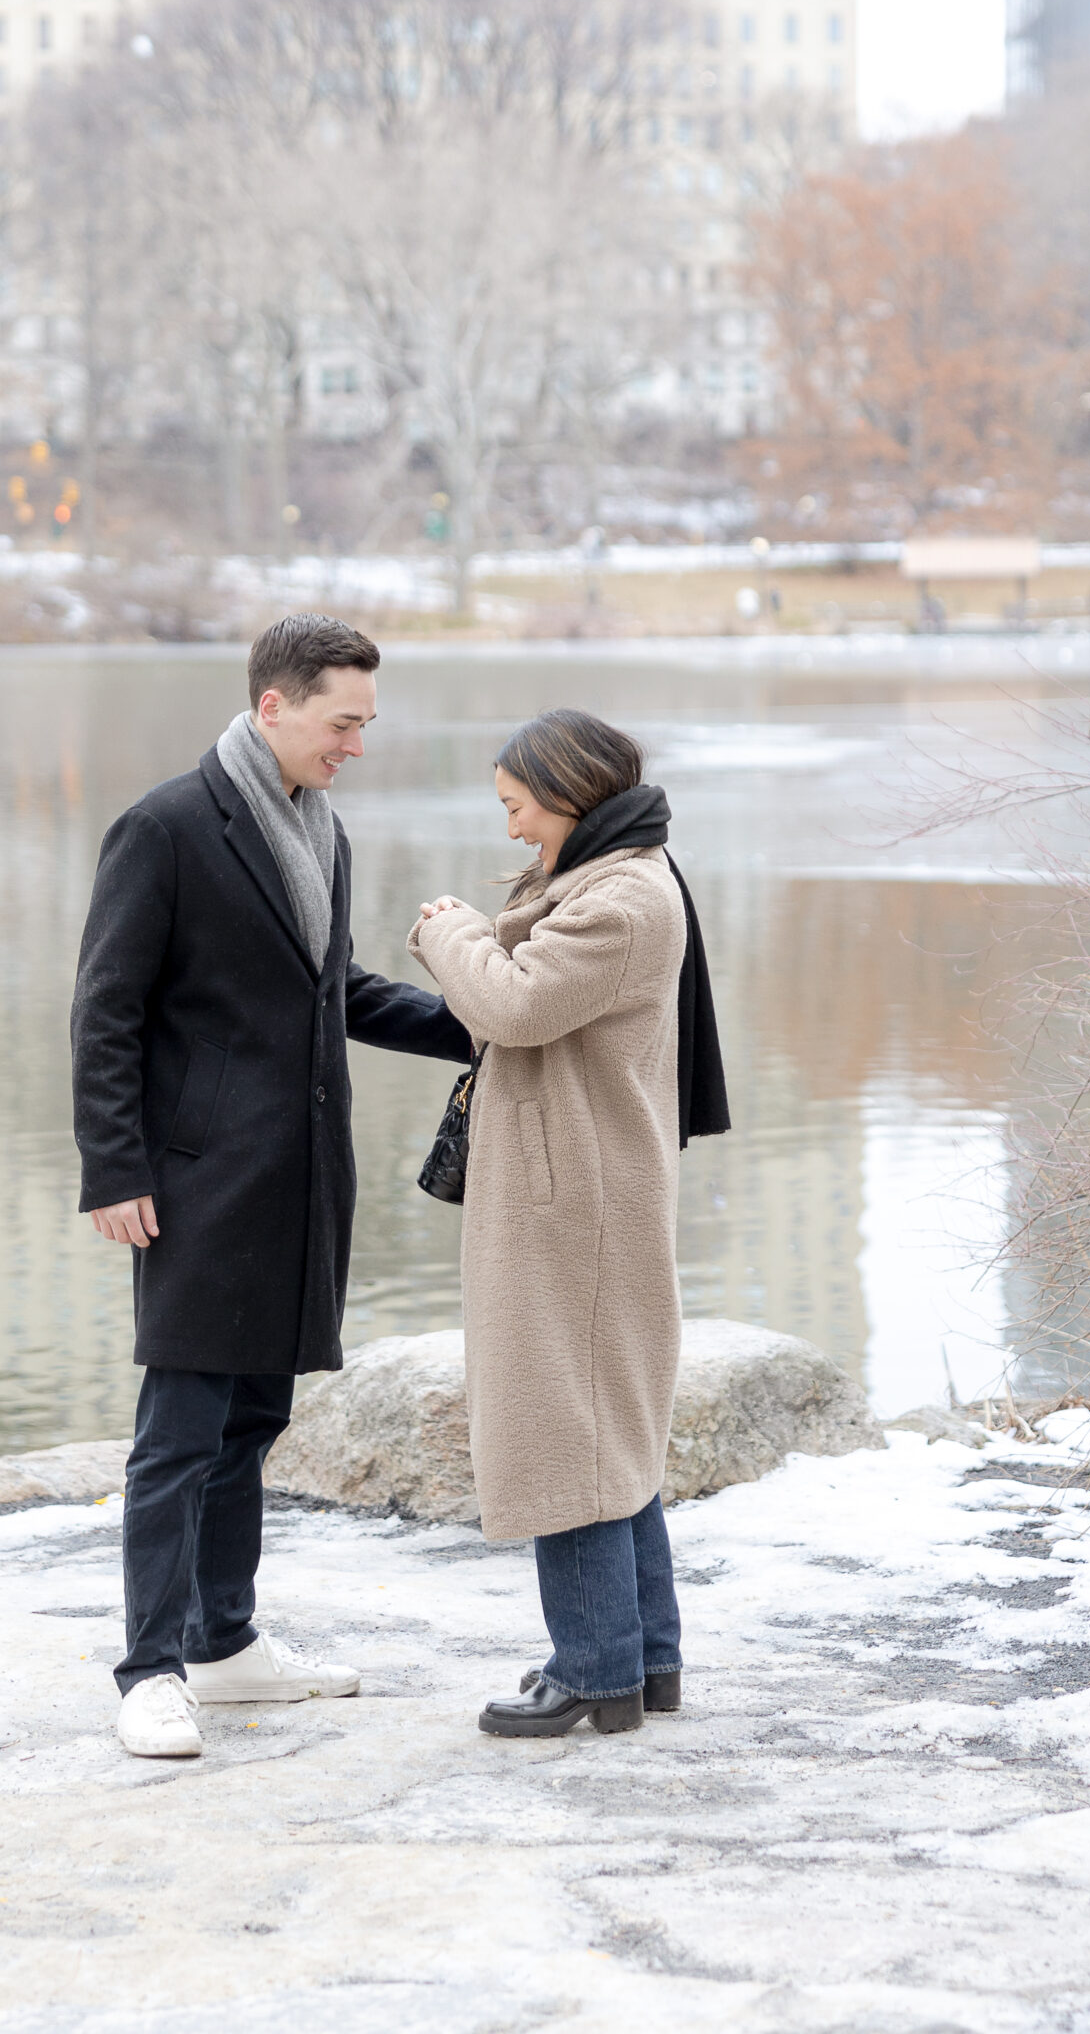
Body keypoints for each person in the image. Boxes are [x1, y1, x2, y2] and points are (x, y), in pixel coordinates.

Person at [72, 613, 473, 1760]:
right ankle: (149, 1669)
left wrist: (475, 1022)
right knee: (180, 1429)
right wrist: (115, 1165)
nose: (356, 742)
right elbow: (106, 1010)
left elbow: (329, 987)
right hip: (195, 1181)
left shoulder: (318, 828)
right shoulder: (163, 826)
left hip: (297, 1177)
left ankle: (226, 1638)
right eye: (342, 721)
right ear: (274, 708)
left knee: (253, 1420)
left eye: (365, 722)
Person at [408, 708, 729, 1739]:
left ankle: (591, 1670)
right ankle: (646, 1658)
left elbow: (510, 1008)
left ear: (565, 792)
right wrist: (489, 927)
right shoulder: (615, 879)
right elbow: (529, 982)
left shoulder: (622, 899)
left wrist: (447, 931)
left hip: (572, 1202)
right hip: (584, 1187)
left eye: (515, 806)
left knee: (566, 1434)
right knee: (609, 1428)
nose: (509, 829)